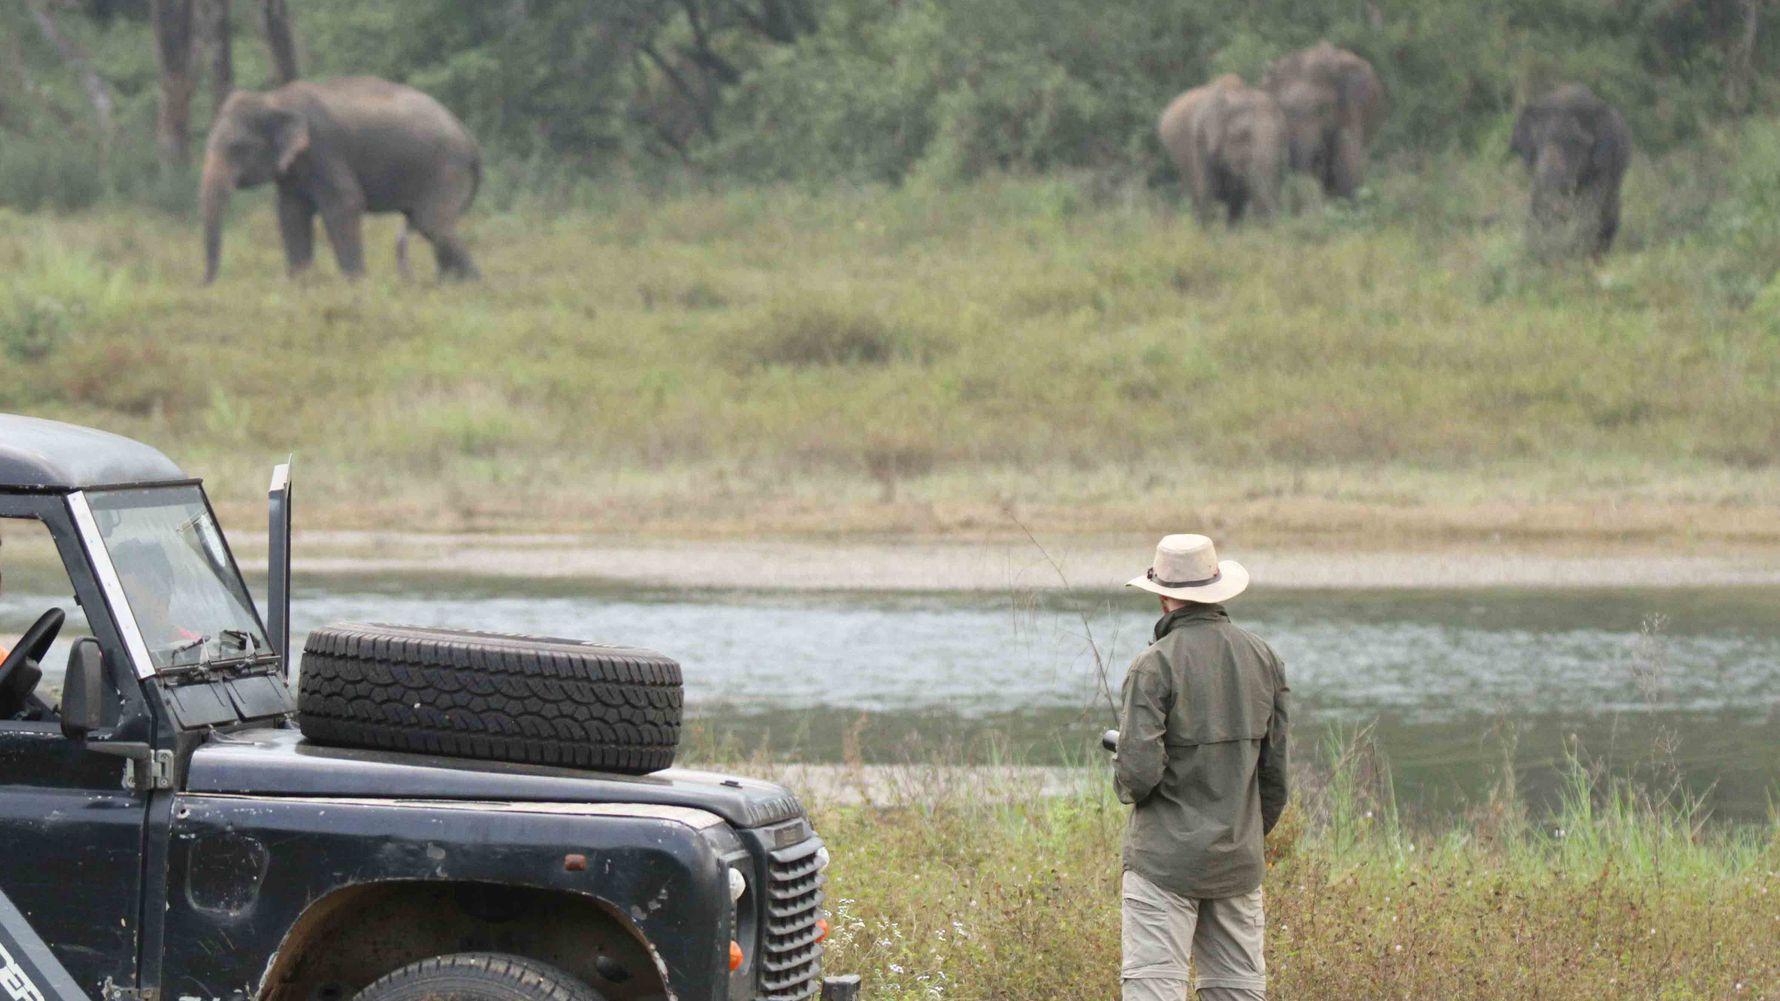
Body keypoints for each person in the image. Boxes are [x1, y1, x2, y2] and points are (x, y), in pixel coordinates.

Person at [1115, 534, 1290, 1001]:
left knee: (1155, 991)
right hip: (1237, 865)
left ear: (1162, 594)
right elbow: (1275, 780)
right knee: (1237, 992)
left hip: (1162, 865)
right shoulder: (1264, 658)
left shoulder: (1153, 666)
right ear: (1217, 588)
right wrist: (1243, 837)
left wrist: (1123, 768)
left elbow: (1137, 775)